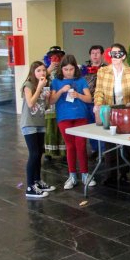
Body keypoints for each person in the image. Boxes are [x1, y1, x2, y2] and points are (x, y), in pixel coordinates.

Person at [93, 43, 130, 184]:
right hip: (108, 109)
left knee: (126, 141)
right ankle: (110, 173)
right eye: (112, 54)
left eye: (118, 54)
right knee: (109, 142)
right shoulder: (103, 71)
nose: (114, 57)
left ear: (123, 56)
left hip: (125, 110)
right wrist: (98, 104)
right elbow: (99, 90)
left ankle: (124, 171)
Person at [50, 54, 94, 189]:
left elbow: (89, 98)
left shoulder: (81, 80)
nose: (69, 72)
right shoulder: (56, 82)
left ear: (75, 68)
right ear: (61, 69)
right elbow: (51, 101)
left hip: (80, 116)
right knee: (70, 146)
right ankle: (72, 175)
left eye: (71, 69)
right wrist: (61, 91)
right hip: (64, 117)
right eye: (66, 69)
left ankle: (85, 174)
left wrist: (78, 95)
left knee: (81, 145)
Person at [21, 61, 56, 198]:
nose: (41, 73)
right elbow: (30, 103)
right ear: (33, 73)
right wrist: (39, 88)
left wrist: (47, 99)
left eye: (43, 70)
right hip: (29, 123)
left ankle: (37, 181)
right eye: (38, 71)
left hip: (40, 123)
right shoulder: (28, 85)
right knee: (34, 153)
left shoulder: (44, 86)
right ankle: (30, 187)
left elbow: (44, 107)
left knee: (40, 152)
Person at [81, 45, 106, 156]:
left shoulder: (107, 69)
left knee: (102, 126)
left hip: (101, 102)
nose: (95, 55)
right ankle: (95, 149)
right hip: (87, 102)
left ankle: (104, 151)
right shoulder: (84, 70)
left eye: (97, 53)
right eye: (93, 53)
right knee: (90, 126)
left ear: (102, 54)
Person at [43, 46, 66, 160]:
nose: (56, 58)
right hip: (49, 103)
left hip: (62, 103)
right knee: (50, 128)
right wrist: (49, 70)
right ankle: (49, 152)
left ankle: (63, 152)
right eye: (53, 55)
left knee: (62, 127)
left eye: (59, 55)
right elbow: (39, 81)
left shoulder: (65, 69)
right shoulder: (45, 69)